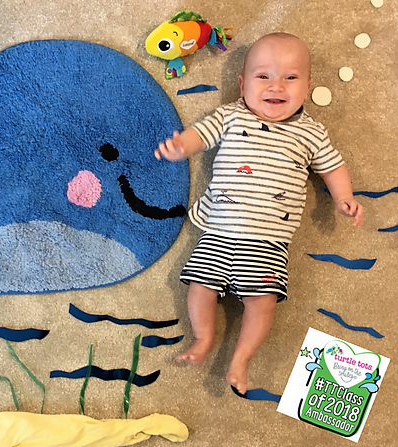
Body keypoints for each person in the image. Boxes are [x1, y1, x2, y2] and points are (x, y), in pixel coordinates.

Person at [154, 32, 364, 395]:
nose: (276, 86)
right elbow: (200, 135)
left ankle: (241, 358)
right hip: (218, 234)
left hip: (267, 245)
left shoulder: (311, 133)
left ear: (308, 86)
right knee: (200, 288)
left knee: (261, 304)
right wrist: (180, 147)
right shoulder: (231, 115)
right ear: (242, 84)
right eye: (263, 76)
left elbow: (333, 167)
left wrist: (343, 196)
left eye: (291, 77)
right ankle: (203, 339)